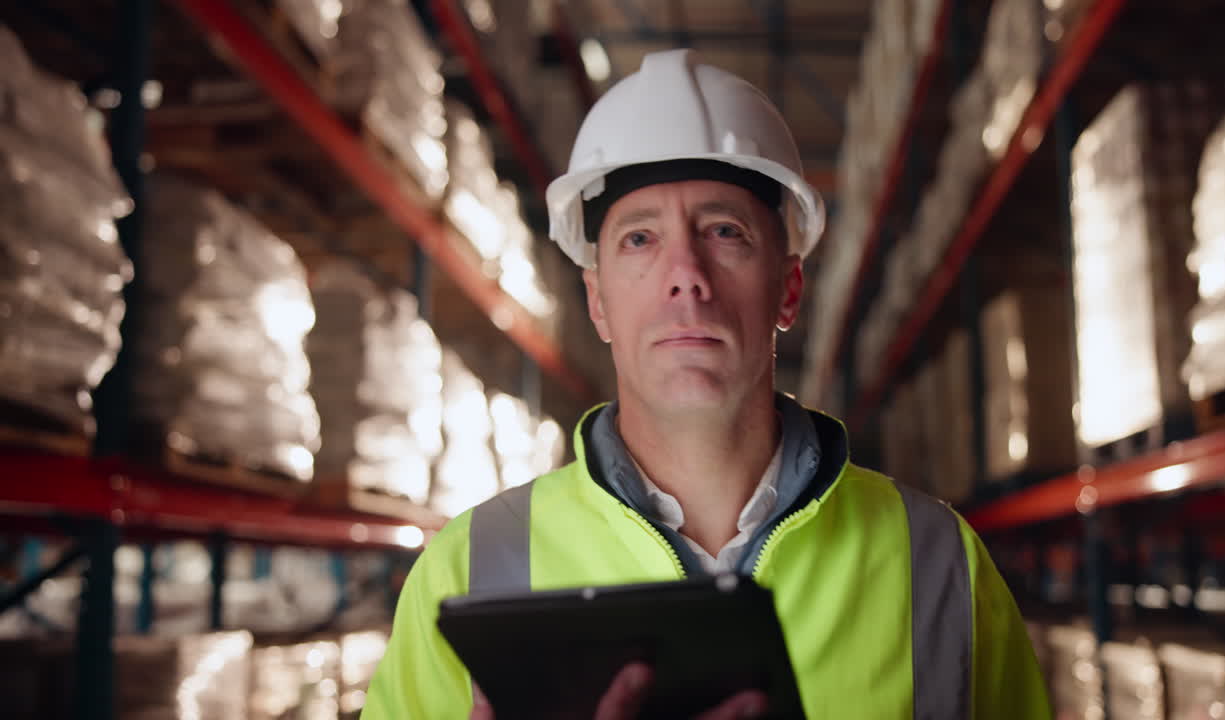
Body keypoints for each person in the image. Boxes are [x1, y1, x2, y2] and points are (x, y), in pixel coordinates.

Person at [362, 49, 1051, 719]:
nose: (684, 273)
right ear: (598, 301)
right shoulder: (470, 570)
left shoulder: (939, 565)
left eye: (724, 231)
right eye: (639, 238)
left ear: (788, 288)